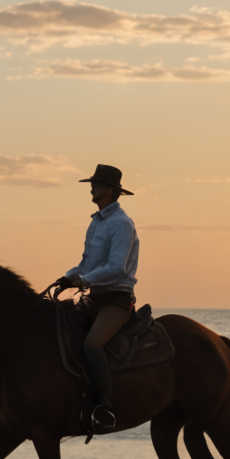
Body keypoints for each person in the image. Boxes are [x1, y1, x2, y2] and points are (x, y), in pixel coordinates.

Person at [49, 164, 140, 432]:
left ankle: (106, 407)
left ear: (109, 190)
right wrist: (66, 278)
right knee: (58, 329)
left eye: (96, 184)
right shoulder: (96, 221)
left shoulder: (121, 224)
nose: (92, 188)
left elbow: (117, 268)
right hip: (95, 296)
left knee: (92, 345)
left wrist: (82, 281)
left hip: (116, 300)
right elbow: (86, 263)